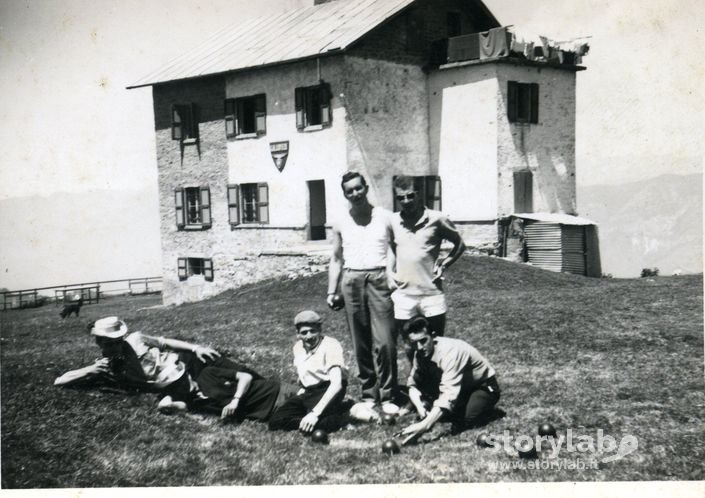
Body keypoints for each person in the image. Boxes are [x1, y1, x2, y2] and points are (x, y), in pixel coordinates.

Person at [54, 316, 294, 423]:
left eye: (108, 341)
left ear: (118, 339)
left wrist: (196, 347)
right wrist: (92, 369)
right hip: (175, 384)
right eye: (101, 342)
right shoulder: (110, 366)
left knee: (239, 371)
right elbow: (61, 381)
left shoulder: (137, 339)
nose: (104, 346)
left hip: (189, 362)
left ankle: (277, 391)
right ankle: (262, 408)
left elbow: (165, 342)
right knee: (212, 398)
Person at [326, 171, 399, 416]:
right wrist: (331, 291)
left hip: (379, 279)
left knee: (386, 341)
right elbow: (336, 258)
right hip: (352, 280)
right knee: (360, 342)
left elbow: (393, 249)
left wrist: (390, 273)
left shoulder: (385, 217)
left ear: (366, 188)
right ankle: (369, 393)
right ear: (345, 194)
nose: (355, 194)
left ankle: (389, 395)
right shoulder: (340, 221)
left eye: (359, 188)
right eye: (350, 191)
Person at [399, 316, 501, 441]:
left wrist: (425, 425)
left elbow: (448, 394)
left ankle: (483, 406)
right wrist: (419, 407)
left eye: (423, 341)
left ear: (433, 336)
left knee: (466, 419)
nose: (419, 347)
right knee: (443, 410)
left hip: (482, 386)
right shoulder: (419, 353)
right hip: (458, 386)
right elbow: (413, 384)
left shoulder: (451, 352)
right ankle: (450, 406)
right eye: (414, 343)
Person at [389, 175, 466, 339]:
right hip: (403, 294)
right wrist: (390, 271)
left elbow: (460, 244)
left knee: (437, 343)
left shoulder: (437, 219)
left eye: (410, 195)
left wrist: (444, 265)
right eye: (401, 197)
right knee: (409, 345)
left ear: (419, 193)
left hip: (431, 293)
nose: (406, 201)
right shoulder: (393, 221)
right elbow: (391, 246)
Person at [268, 310, 349, 433]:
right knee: (276, 421)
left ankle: (346, 414)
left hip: (328, 389)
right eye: (304, 332)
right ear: (297, 334)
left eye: (313, 331)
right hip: (309, 392)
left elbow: (336, 384)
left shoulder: (330, 345)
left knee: (322, 422)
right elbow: (304, 375)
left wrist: (315, 414)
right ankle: (326, 417)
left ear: (320, 329)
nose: (309, 336)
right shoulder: (298, 348)